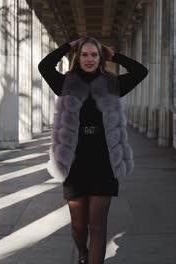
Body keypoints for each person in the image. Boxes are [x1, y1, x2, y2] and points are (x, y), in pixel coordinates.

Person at [38, 37, 148, 264]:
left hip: (104, 160)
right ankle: (82, 253)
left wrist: (114, 54)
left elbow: (140, 71)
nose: (89, 59)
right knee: (79, 226)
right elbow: (45, 66)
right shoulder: (66, 83)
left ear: (101, 58)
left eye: (94, 55)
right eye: (85, 54)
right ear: (78, 58)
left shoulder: (112, 83)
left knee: (98, 227)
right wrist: (68, 46)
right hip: (74, 161)